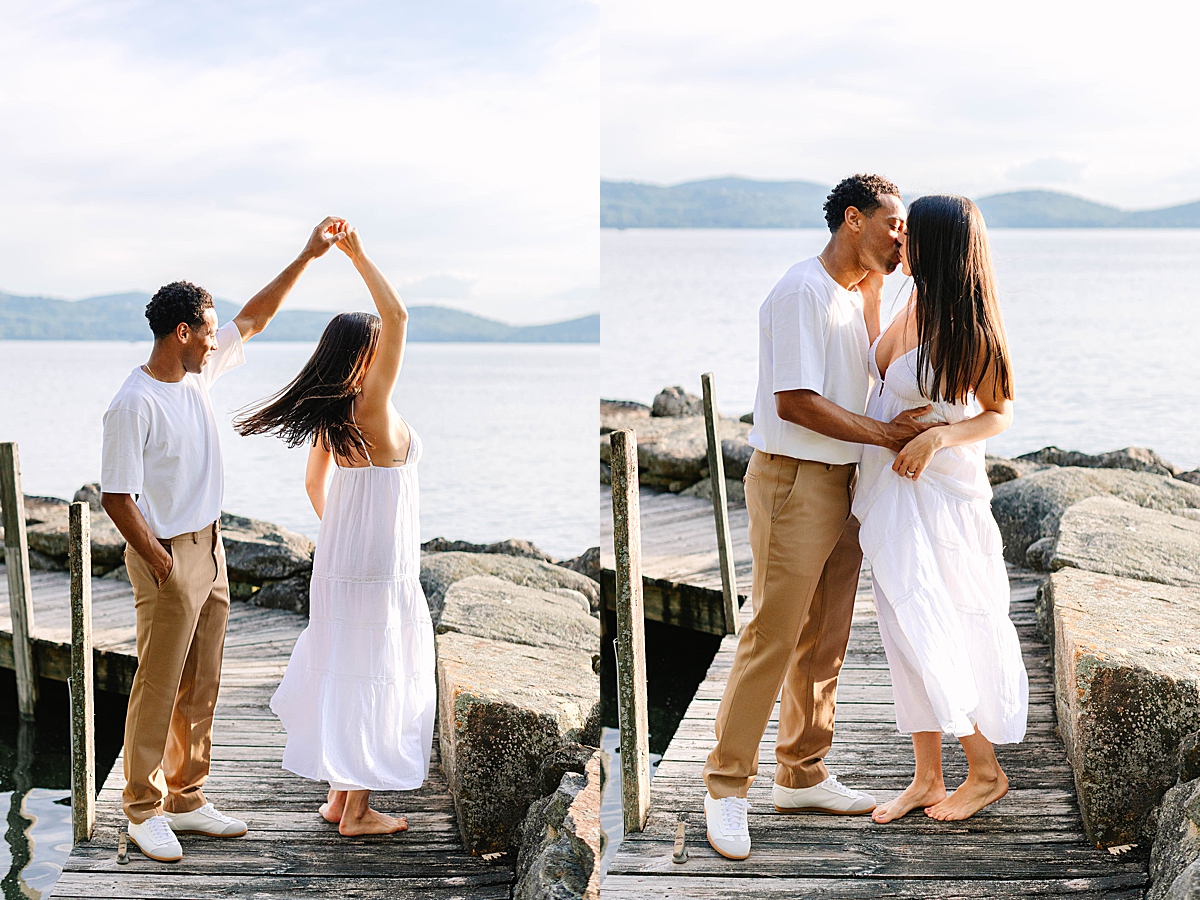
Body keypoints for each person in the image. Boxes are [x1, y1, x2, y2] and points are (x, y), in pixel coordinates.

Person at [702, 174, 936, 860]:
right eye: (894, 224)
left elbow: (875, 368)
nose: (902, 236)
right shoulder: (801, 288)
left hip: (845, 481)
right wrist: (887, 436)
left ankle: (801, 773)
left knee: (826, 637)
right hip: (794, 479)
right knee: (772, 634)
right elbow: (797, 401)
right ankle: (725, 788)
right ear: (853, 220)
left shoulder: (860, 288)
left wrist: (887, 283)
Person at [100, 217, 348, 862]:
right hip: (167, 553)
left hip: (211, 547)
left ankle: (186, 797)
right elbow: (116, 496)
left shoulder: (197, 376)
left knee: (202, 680)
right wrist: (158, 558)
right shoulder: (134, 402)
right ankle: (141, 808)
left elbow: (258, 319)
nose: (218, 340)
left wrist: (307, 254)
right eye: (210, 330)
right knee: (159, 681)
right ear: (182, 333)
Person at [235, 224, 436, 836]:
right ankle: (357, 811)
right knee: (378, 668)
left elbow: (313, 487)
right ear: (367, 355)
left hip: (342, 562)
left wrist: (349, 531)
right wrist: (358, 255)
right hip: (382, 568)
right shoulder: (371, 405)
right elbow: (397, 314)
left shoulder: (335, 411)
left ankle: (336, 798)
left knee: (349, 666)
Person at [854, 194, 1028, 823]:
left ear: (939, 246)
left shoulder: (973, 328)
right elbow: (877, 368)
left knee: (938, 628)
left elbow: (1000, 413)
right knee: (904, 634)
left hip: (943, 501)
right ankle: (928, 776)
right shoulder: (912, 299)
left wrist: (937, 437)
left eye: (910, 234)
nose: (900, 242)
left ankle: (984, 771)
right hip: (893, 495)